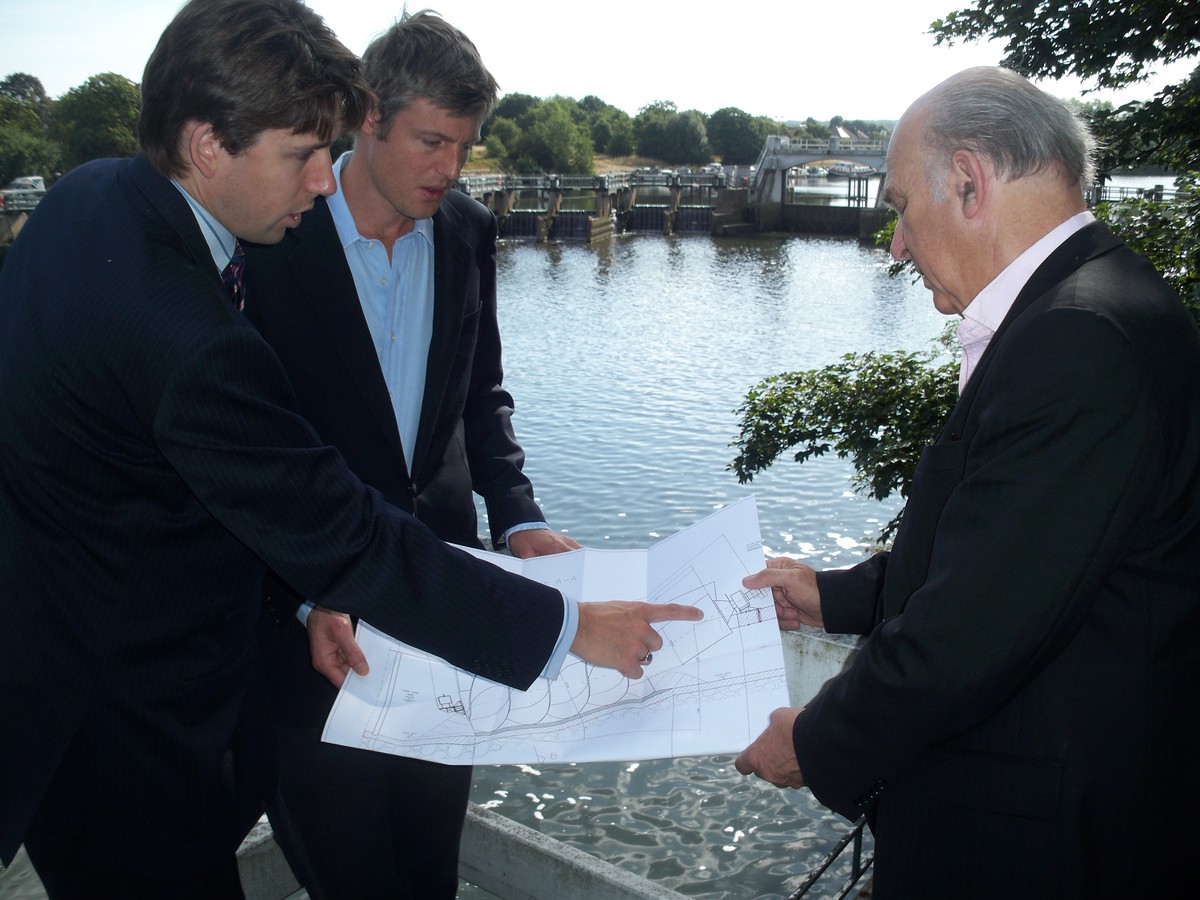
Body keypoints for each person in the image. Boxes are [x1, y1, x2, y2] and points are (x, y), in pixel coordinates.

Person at [0, 1, 699, 896]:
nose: (321, 183)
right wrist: (564, 625)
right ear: (209, 143)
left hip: (68, 692)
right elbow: (334, 524)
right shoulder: (189, 334)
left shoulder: (85, 198)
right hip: (129, 733)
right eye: (300, 155)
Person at [734, 66, 1200, 897]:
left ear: (968, 181)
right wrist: (832, 596)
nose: (897, 245)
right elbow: (1014, 556)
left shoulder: (1075, 340)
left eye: (901, 207)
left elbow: (971, 630)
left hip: (1034, 846)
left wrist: (818, 741)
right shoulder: (1107, 302)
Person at [240, 11, 580, 898]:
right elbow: (243, 453)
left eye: (464, 147)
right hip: (309, 630)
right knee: (351, 882)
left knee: (429, 875)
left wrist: (519, 516)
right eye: (432, 141)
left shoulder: (467, 231)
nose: (450, 170)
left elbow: (481, 395)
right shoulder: (269, 239)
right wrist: (311, 586)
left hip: (440, 614)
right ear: (367, 117)